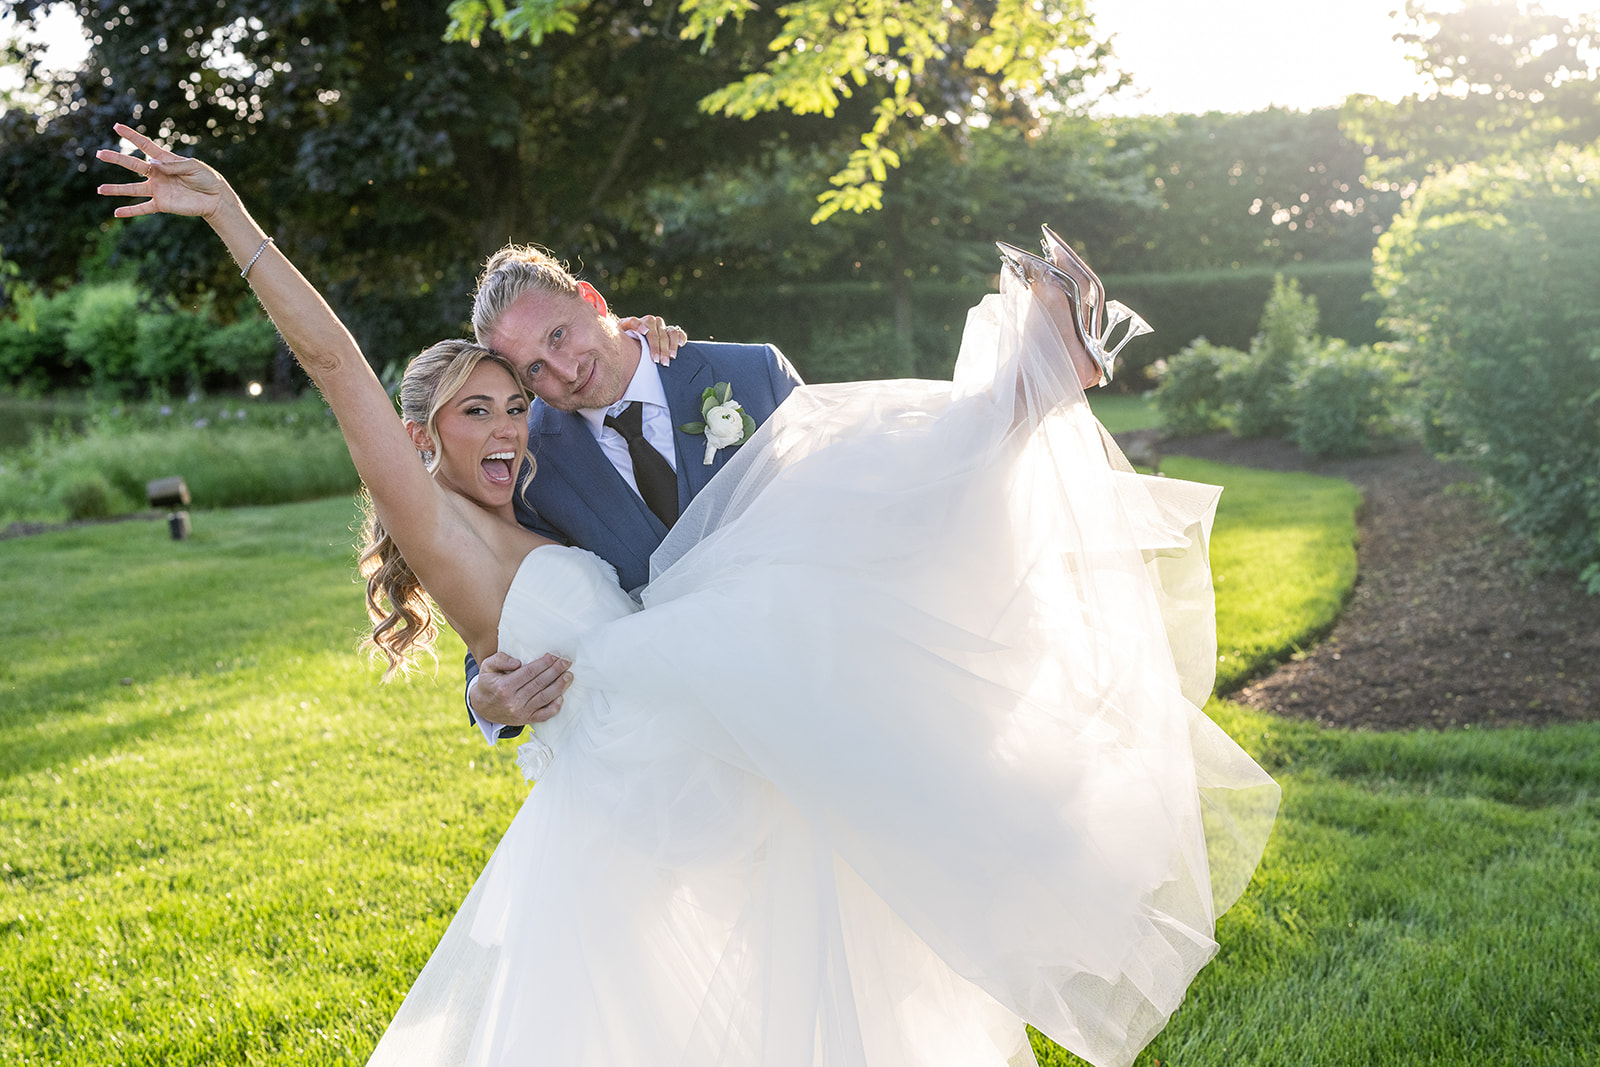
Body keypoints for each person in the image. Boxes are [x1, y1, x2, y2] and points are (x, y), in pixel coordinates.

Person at [98, 123, 1278, 1067]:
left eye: (528, 387)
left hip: (758, 730)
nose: (525, 411)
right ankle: (1028, 382)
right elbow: (337, 368)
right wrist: (231, 216)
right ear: (418, 441)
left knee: (836, 965)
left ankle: (1032, 386)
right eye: (487, 406)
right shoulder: (482, 505)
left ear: (595, 306)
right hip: (655, 788)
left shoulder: (713, 379)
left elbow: (837, 516)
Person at [460, 244, 803, 743]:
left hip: (812, 669)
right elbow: (507, 600)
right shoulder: (532, 468)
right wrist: (482, 695)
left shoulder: (754, 376)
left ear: (593, 300)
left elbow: (837, 512)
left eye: (558, 335)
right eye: (533, 370)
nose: (564, 371)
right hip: (687, 731)